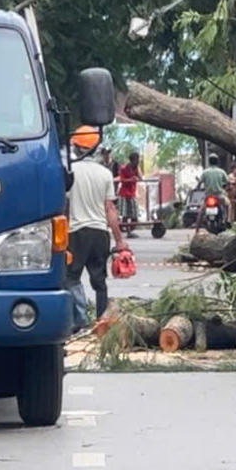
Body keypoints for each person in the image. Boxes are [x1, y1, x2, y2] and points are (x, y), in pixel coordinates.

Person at [66, 127, 128, 332]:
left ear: (75, 147)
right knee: (99, 281)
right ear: (96, 149)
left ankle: (81, 319)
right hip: (100, 233)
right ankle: (101, 321)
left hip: (76, 232)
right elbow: (110, 209)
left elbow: (63, 204)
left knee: (71, 277)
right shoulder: (105, 174)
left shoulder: (69, 171)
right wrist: (119, 240)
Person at [197, 153, 230, 230]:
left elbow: (200, 183)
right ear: (217, 162)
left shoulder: (205, 172)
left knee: (201, 210)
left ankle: (197, 228)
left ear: (209, 162)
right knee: (228, 205)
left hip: (208, 195)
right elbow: (227, 182)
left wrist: (198, 188)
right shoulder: (221, 172)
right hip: (219, 195)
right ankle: (227, 220)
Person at [117, 152, 140, 224]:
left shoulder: (136, 168)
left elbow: (140, 177)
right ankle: (127, 230)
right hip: (125, 193)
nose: (137, 161)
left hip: (132, 193)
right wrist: (130, 179)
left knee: (134, 213)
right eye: (136, 160)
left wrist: (137, 173)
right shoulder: (124, 168)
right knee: (125, 214)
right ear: (132, 160)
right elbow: (122, 179)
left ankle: (132, 229)